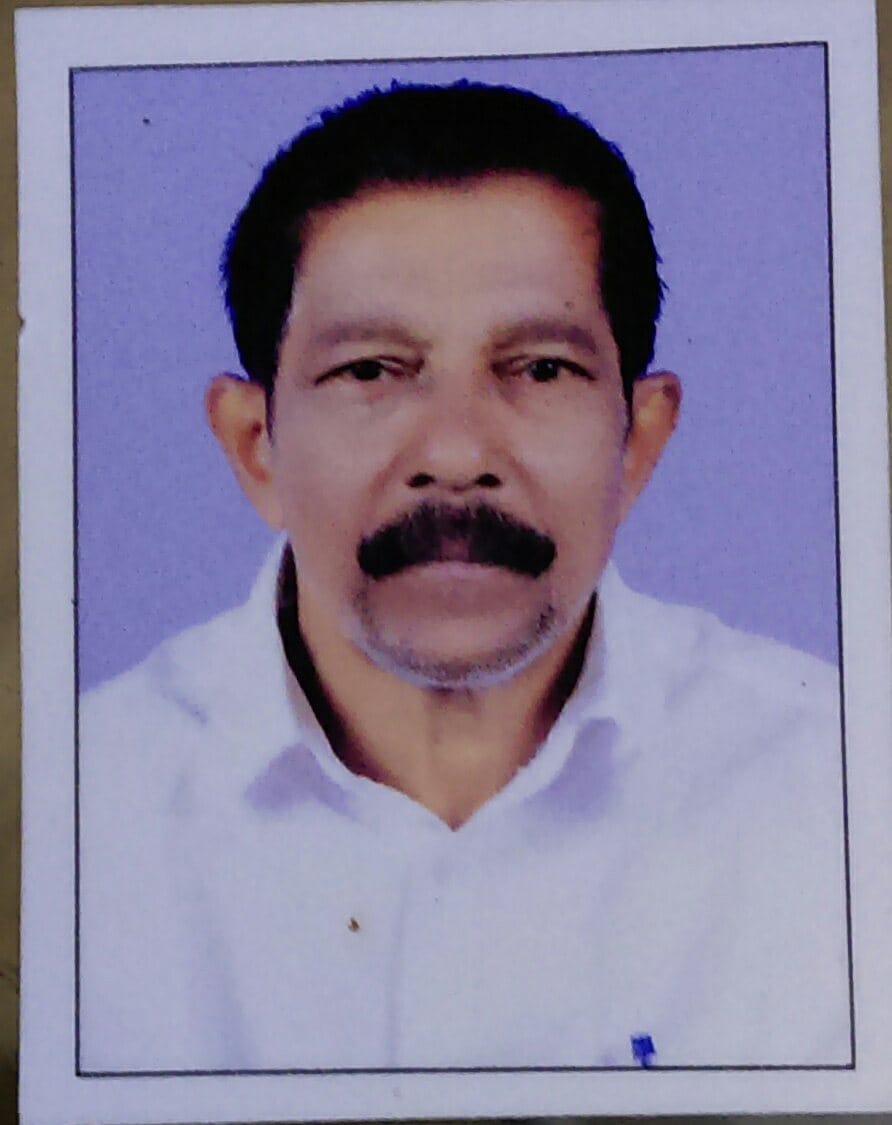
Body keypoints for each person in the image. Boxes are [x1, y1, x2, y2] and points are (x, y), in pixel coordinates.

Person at [79, 82, 849, 1074]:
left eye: (539, 369)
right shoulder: (83, 817)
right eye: (370, 370)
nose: (454, 454)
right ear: (254, 444)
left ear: (639, 441)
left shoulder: (835, 791)